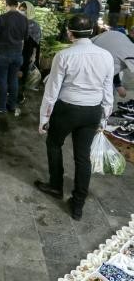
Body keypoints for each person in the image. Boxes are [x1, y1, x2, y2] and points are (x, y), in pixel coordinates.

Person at [35, 14, 113, 221]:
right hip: (92, 111)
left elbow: (52, 90)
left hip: (67, 109)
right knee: (82, 156)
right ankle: (78, 204)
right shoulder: (106, 56)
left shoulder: (64, 56)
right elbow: (108, 89)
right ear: (93, 32)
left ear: (70, 33)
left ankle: (55, 186)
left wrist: (44, 118)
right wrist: (104, 117)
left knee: (54, 144)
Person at [0, 0, 28, 114]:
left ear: (6, 4)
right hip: (17, 54)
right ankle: (12, 106)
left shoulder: (2, 18)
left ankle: (2, 107)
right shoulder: (24, 19)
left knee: (2, 81)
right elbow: (26, 36)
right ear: (17, 5)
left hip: (3, 54)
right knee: (13, 80)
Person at [92, 29, 134, 99]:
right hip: (97, 80)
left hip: (82, 71)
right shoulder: (130, 48)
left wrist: (118, 85)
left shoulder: (116, 34)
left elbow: (113, 63)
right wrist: (118, 85)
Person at [18, 1, 42, 103]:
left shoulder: (35, 26)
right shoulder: (16, 21)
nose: (22, 12)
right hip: (15, 52)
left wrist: (34, 56)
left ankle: (19, 95)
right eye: (21, 10)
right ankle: (11, 93)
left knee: (22, 74)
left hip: (26, 53)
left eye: (24, 10)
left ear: (30, 11)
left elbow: (36, 44)